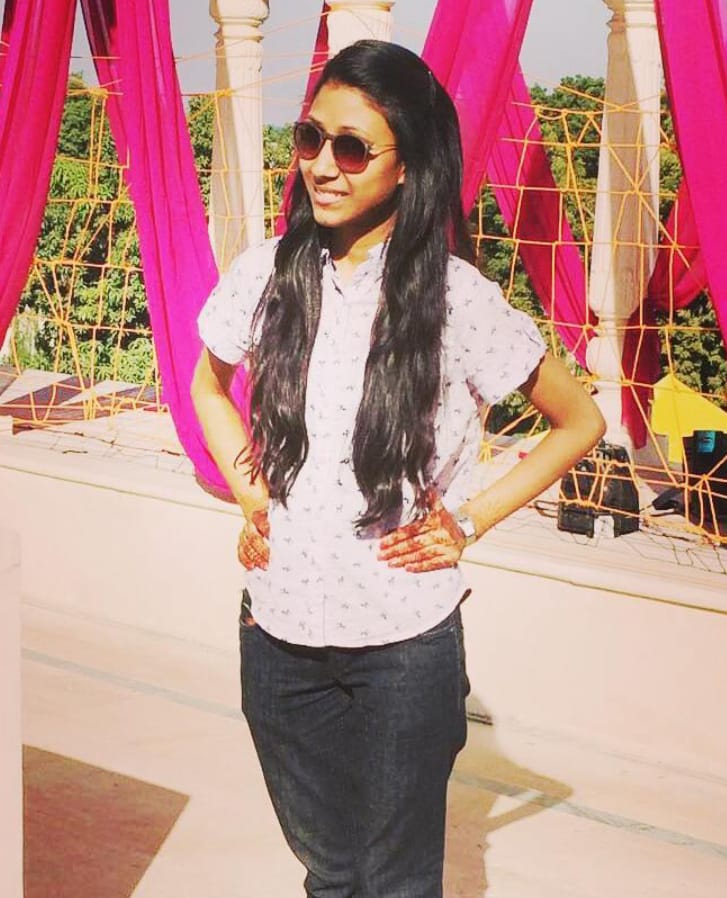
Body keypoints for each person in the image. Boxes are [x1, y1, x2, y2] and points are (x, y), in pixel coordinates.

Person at [191, 39, 605, 898]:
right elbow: (207, 385)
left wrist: (468, 522)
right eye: (311, 138)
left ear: (408, 164)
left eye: (352, 147)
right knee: (329, 871)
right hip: (275, 634)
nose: (322, 165)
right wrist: (249, 490)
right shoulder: (266, 274)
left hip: (401, 645)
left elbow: (579, 422)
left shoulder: (456, 299)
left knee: (395, 880)